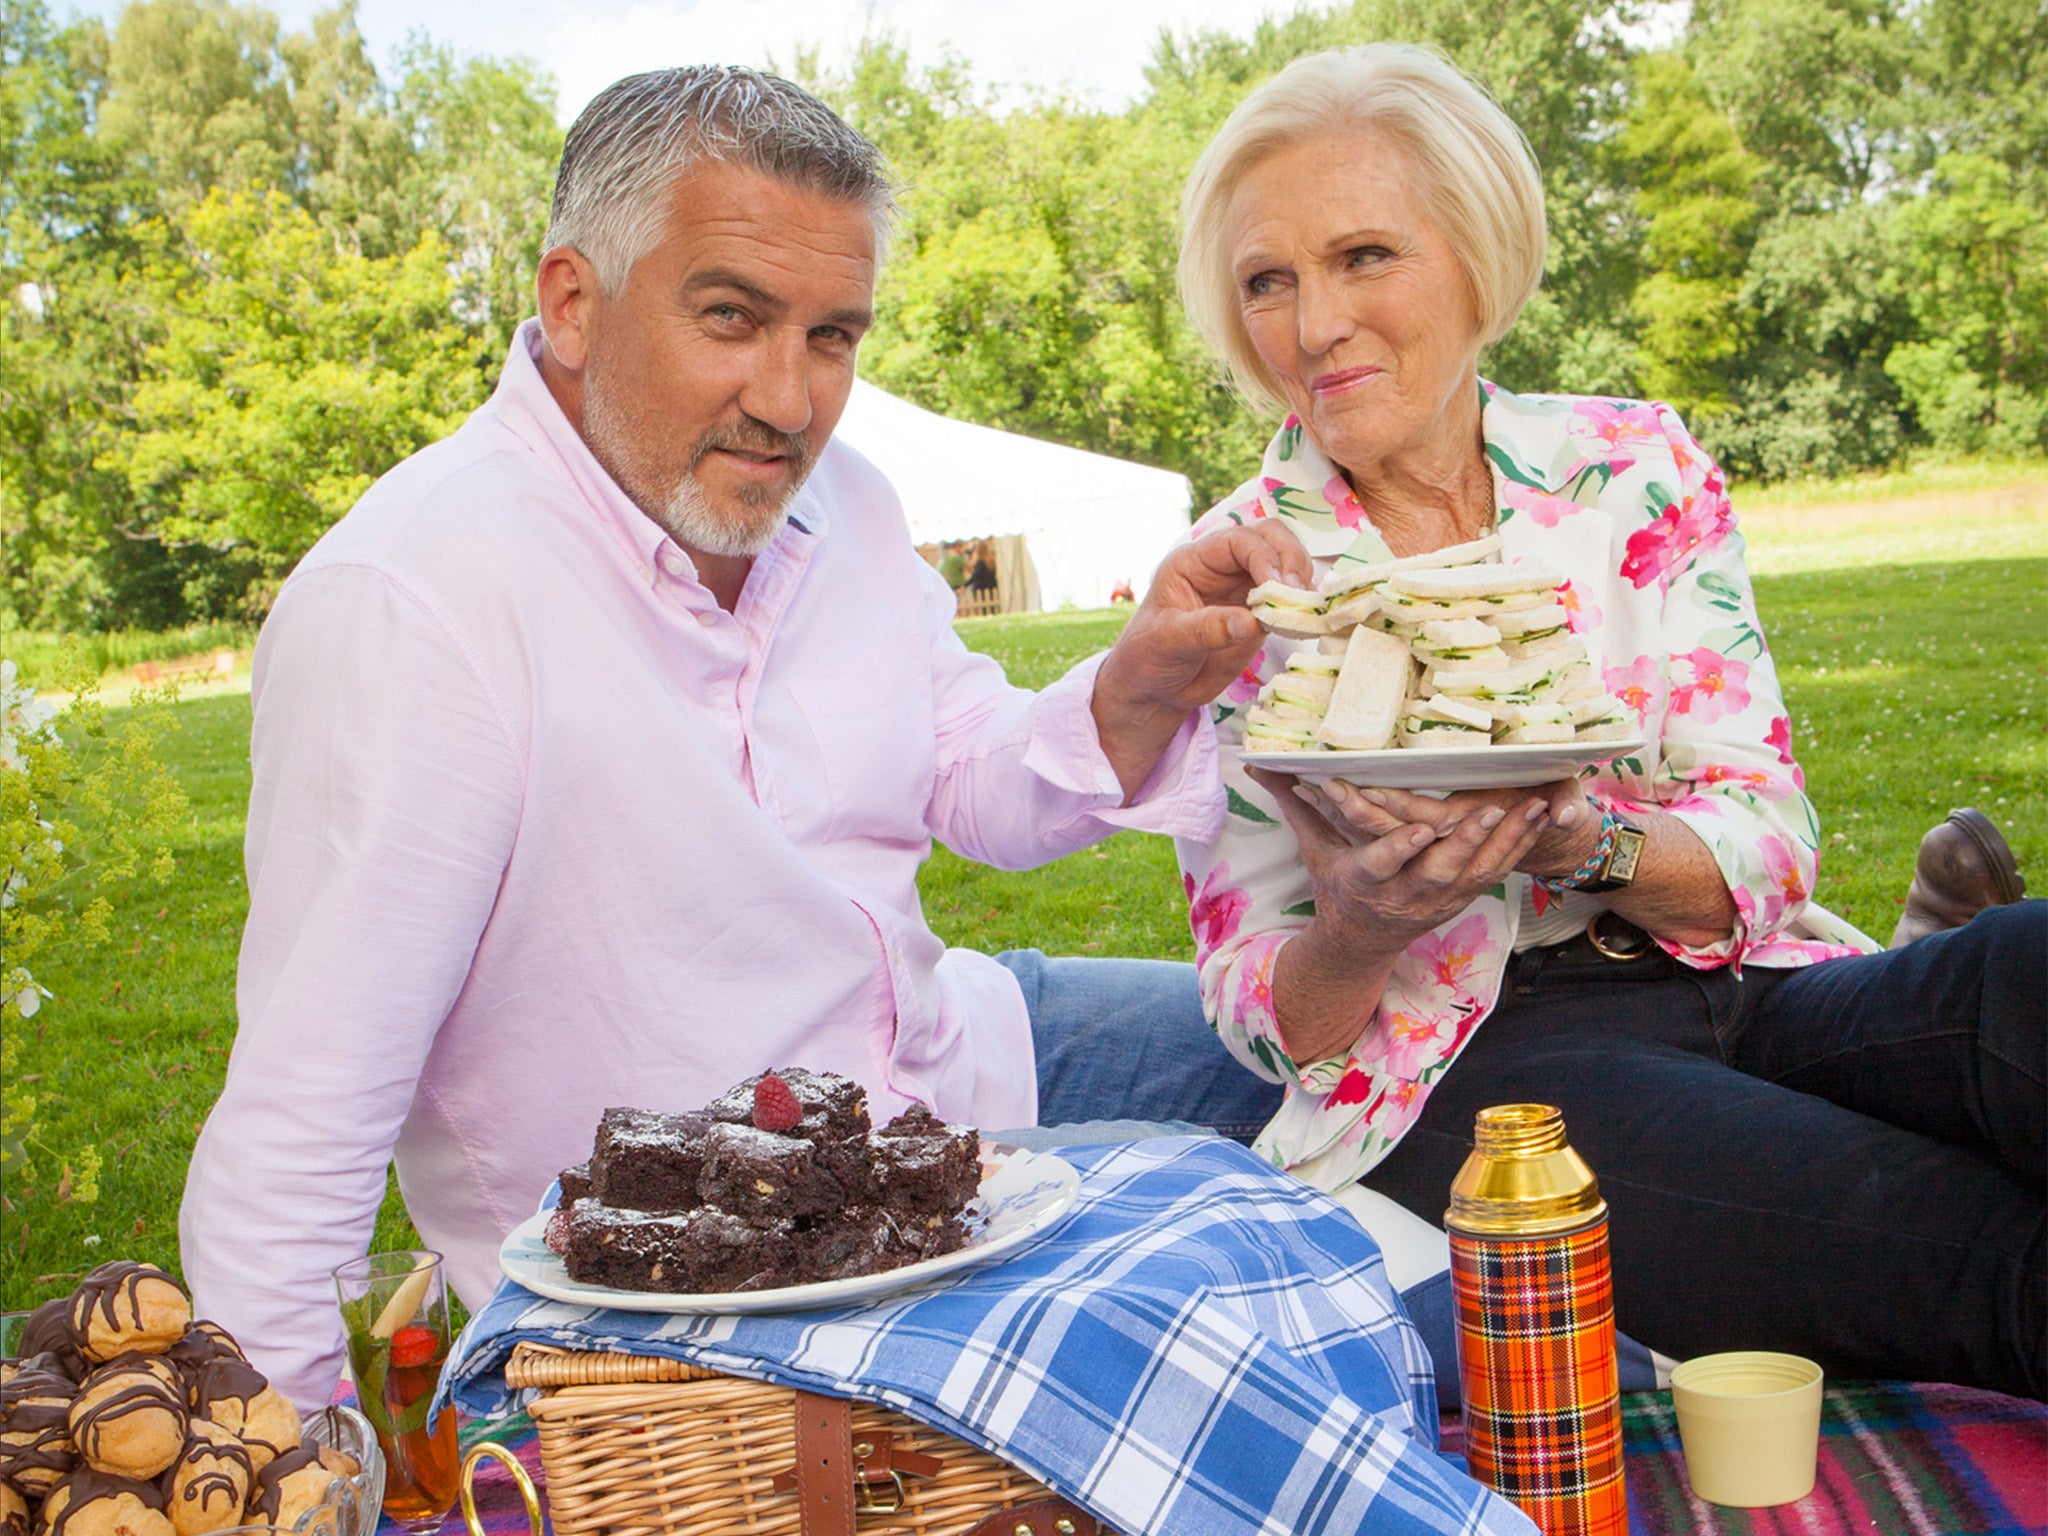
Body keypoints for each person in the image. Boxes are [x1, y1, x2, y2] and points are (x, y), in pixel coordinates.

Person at [178, 65, 1304, 1406]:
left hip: (960, 1058)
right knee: (1230, 1302)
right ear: (574, 304)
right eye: (732, 316)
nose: (791, 400)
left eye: (833, 337)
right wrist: (298, 1468)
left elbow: (974, 782)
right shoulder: (421, 601)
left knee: (1396, 1038)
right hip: (721, 1272)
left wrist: (1143, 678)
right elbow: (299, 1136)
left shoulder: (851, 507)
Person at [1168, 45, 2044, 1398]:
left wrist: (1580, 842)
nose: (1313, 324)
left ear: (1476, 256)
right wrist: (1365, 922)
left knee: (2024, 978)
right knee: (1969, 1245)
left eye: (1362, 257)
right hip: (1481, 1065)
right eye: (1267, 281)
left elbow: (1769, 844)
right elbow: (1260, 1015)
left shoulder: (1634, 470)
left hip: (1734, 984)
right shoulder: (1241, 574)